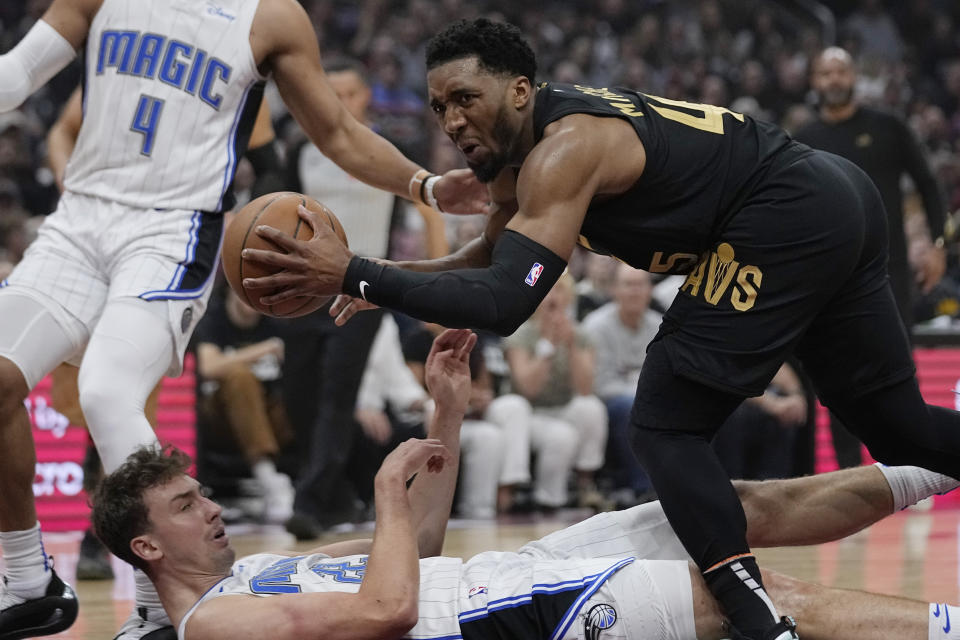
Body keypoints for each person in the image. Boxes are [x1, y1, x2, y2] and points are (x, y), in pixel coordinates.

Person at [243, 18, 960, 640]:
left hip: (783, 213)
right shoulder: (516, 162)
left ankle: (757, 620)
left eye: (467, 98)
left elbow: (506, 302)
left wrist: (358, 274)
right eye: (439, 107)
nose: (453, 120)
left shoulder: (565, 148)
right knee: (896, 428)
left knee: (665, 423)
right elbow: (492, 257)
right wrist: (379, 279)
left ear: (520, 90)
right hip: (830, 200)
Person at [0, 2, 485, 639]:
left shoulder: (271, 17)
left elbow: (336, 131)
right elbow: (16, 75)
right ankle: (25, 576)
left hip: (172, 230)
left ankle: (163, 608)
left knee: (106, 390)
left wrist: (424, 186)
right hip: (79, 219)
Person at [89, 330, 960, 640]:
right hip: (500, 616)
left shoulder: (247, 577)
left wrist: (446, 420)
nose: (210, 507)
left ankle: (942, 462)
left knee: (738, 504)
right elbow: (387, 610)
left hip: (516, 568)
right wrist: (387, 500)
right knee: (758, 597)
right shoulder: (212, 622)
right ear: (147, 547)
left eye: (202, 492)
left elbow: (417, 550)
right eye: (185, 505)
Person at [279, 57, 449, 540]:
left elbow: (428, 213)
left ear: (366, 97)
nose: (339, 102)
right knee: (299, 395)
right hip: (305, 286)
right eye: (330, 92)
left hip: (361, 284)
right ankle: (330, 497)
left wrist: (432, 286)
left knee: (337, 393)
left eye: (348, 92)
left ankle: (310, 502)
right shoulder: (301, 150)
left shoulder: (388, 151)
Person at [793, 46, 948, 468]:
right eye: (825, 73)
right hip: (829, 274)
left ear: (854, 76)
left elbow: (929, 184)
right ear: (814, 81)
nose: (833, 80)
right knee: (838, 372)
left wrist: (938, 246)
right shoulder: (804, 138)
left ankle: (912, 468)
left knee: (899, 369)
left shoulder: (888, 127)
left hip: (888, 270)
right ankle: (848, 473)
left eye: (840, 71)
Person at [497, 273, 609, 511]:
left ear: (569, 296)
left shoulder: (581, 335)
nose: (553, 297)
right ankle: (545, 499)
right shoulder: (521, 333)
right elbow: (529, 389)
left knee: (591, 408)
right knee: (560, 435)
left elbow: (586, 388)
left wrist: (570, 346)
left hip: (563, 407)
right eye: (547, 289)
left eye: (559, 290)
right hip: (529, 413)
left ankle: (584, 486)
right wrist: (547, 345)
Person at [193, 286, 293, 524]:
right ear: (231, 290)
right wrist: (264, 349)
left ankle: (320, 486)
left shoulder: (277, 321)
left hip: (270, 418)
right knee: (240, 377)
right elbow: (208, 367)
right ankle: (268, 477)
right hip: (219, 420)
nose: (252, 300)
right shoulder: (214, 318)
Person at [582, 264, 662, 503]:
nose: (635, 292)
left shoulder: (660, 324)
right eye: (628, 285)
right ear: (615, 290)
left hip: (650, 399)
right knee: (632, 405)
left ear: (649, 290)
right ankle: (644, 489)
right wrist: (644, 395)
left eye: (640, 285)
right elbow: (599, 384)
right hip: (609, 403)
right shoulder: (596, 325)